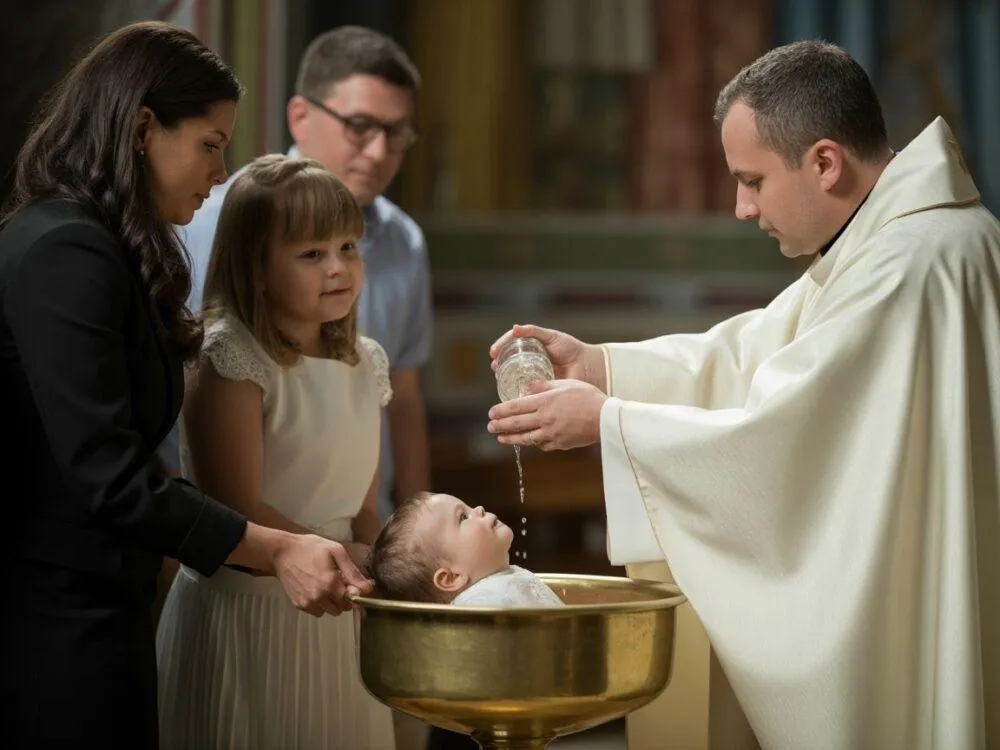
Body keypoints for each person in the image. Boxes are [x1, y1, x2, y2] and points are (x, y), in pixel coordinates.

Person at [487, 40, 1000, 750]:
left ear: (824, 162)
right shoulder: (889, 242)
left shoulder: (911, 262)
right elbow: (762, 350)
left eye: (752, 180)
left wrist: (611, 424)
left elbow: (780, 432)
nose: (739, 206)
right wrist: (606, 368)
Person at [0, 22, 370, 747]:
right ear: (142, 128)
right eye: (208, 144)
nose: (216, 171)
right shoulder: (66, 250)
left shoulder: (97, 244)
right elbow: (108, 477)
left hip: (97, 608)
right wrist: (277, 549)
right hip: (50, 625)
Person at [156, 154, 396, 748]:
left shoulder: (365, 362)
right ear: (256, 266)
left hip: (340, 619)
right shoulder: (231, 355)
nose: (337, 268)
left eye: (348, 247)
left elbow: (363, 508)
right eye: (311, 254)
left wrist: (385, 568)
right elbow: (235, 505)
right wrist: (346, 563)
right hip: (248, 614)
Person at [173, 26, 432, 525]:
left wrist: (416, 544)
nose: (379, 152)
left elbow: (404, 399)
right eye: (360, 126)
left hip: (356, 534)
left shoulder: (406, 242)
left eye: (396, 133)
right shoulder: (206, 218)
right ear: (300, 115)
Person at [368, 491, 564, 607]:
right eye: (463, 517)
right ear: (451, 577)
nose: (478, 508)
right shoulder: (481, 606)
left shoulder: (505, 578)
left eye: (467, 507)